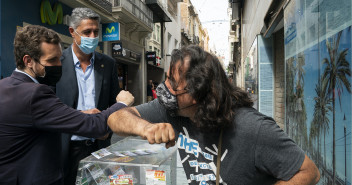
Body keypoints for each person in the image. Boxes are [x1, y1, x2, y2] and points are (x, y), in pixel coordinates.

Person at [107, 45, 320, 185]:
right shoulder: (169, 109)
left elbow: (309, 172)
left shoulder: (253, 128)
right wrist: (146, 128)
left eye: (173, 84)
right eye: (168, 78)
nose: (165, 88)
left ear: (196, 94)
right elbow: (116, 118)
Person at [0, 25, 134, 184]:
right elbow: (96, 125)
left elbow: (32, 120)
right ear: (28, 60)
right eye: (51, 60)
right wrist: (121, 103)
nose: (58, 65)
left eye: (59, 58)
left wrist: (80, 114)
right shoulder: (35, 94)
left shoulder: (5, 86)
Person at [55, 7, 120, 185]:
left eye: (95, 32)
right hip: (66, 151)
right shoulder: (57, 63)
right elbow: (50, 108)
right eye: (87, 32)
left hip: (99, 149)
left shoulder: (108, 64)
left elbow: (114, 105)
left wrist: (108, 129)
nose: (92, 37)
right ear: (72, 32)